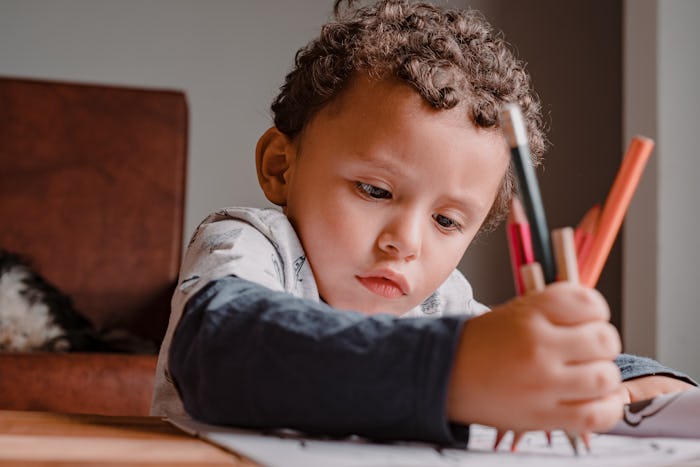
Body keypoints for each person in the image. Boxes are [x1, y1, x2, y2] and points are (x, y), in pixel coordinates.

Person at [151, 0, 695, 446]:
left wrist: (625, 381)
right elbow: (220, 348)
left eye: (446, 220)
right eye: (374, 190)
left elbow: (535, 359)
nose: (405, 243)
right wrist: (457, 370)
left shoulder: (439, 301)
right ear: (280, 166)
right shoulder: (249, 243)